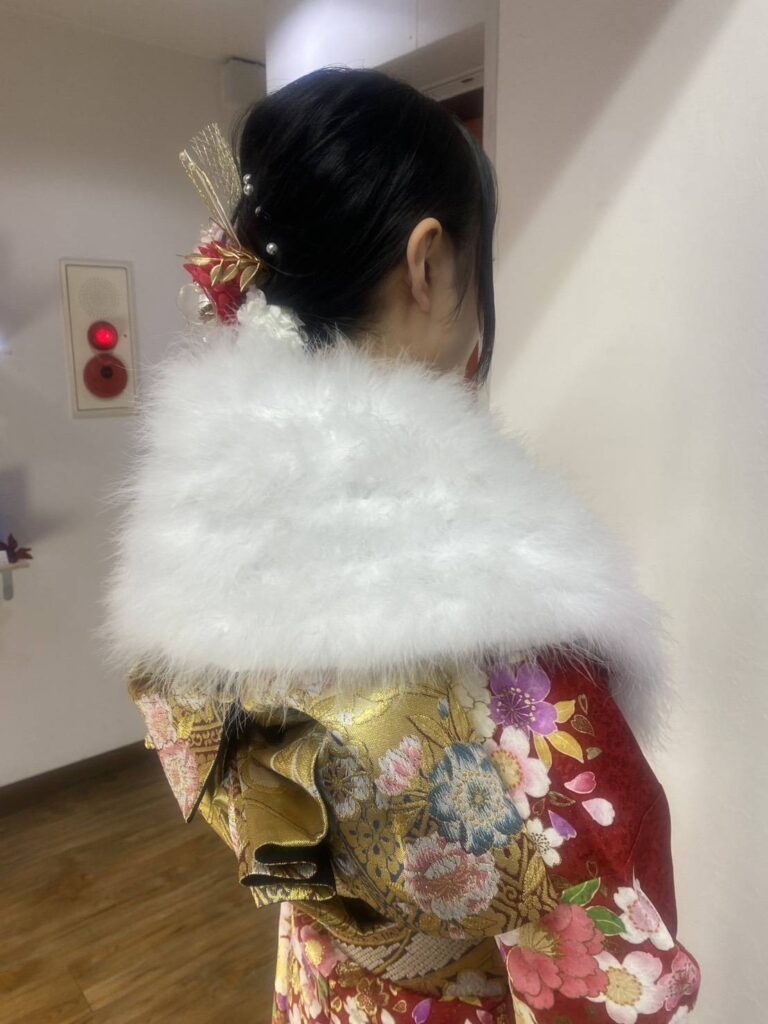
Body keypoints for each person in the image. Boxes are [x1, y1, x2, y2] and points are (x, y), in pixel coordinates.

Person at [104, 66, 701, 1023]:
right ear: (427, 262)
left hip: (324, 986)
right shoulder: (500, 611)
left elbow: (276, 832)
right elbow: (615, 970)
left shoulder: (194, 543)